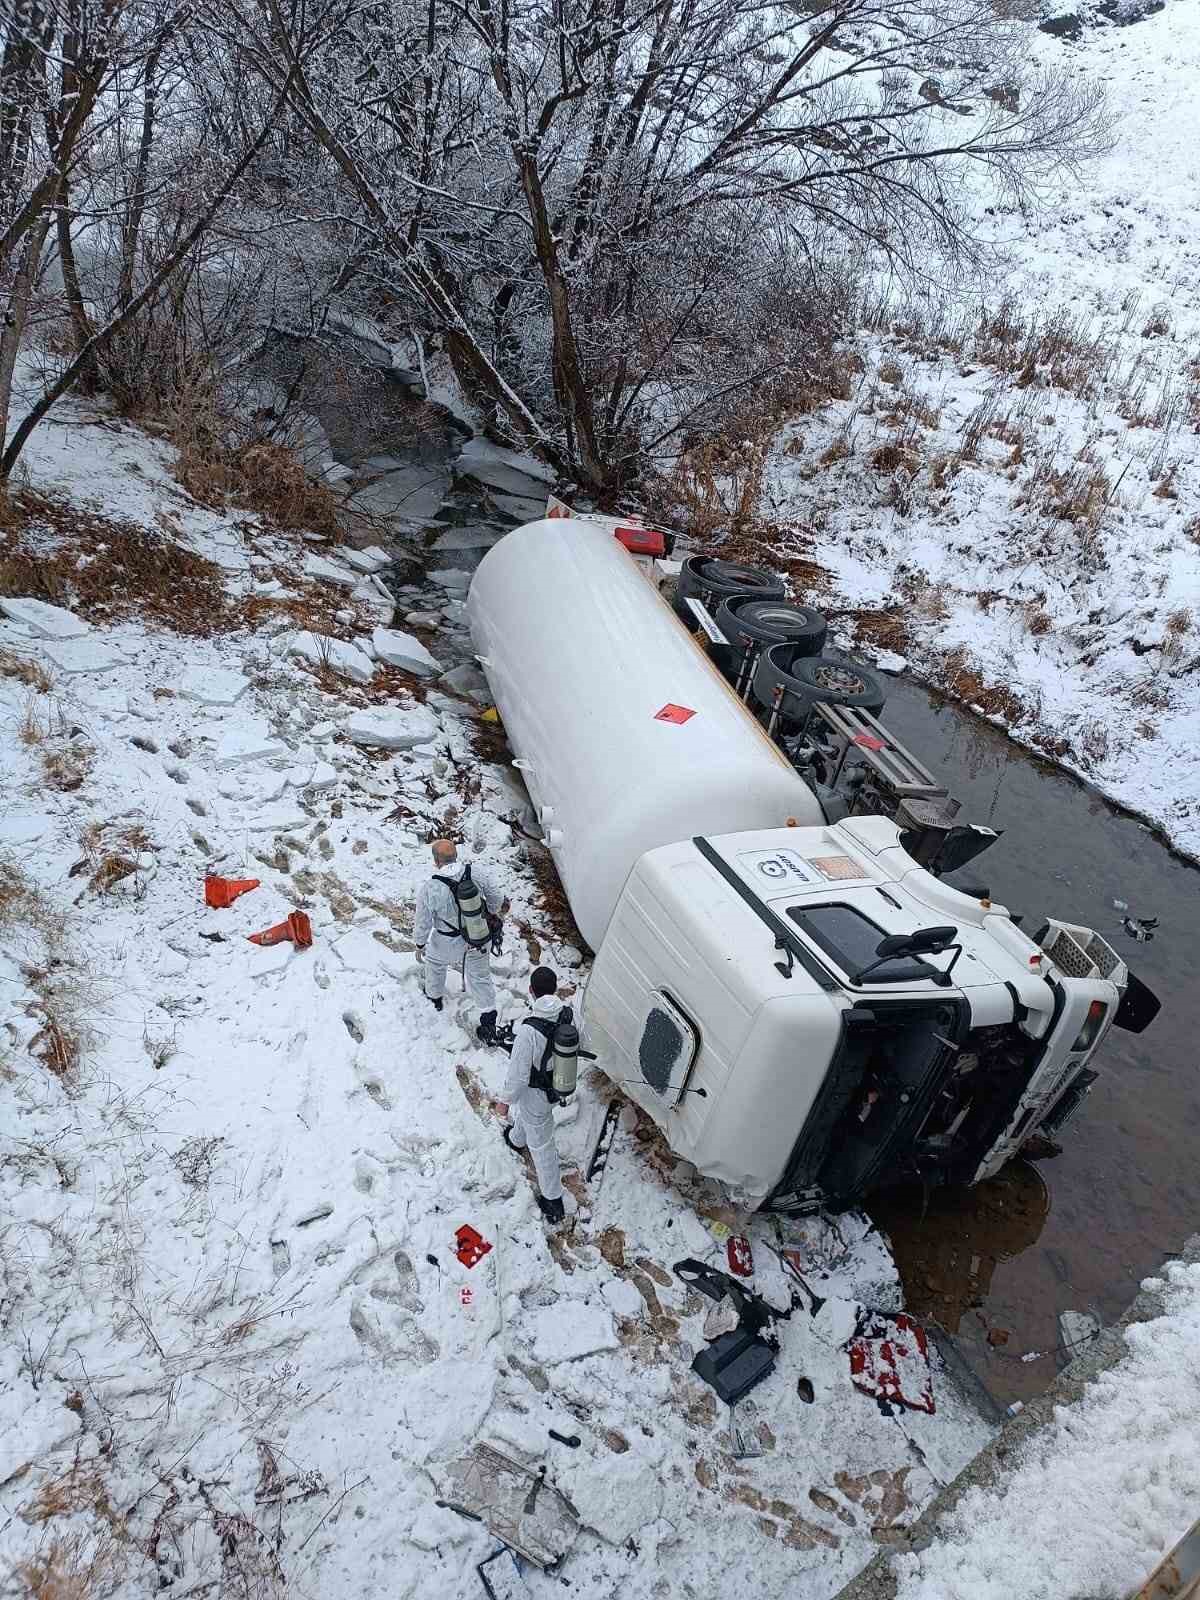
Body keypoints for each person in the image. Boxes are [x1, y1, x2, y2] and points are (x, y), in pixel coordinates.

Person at [412, 838, 505, 1044]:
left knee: (434, 962)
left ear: (436, 861)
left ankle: (434, 999)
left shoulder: (430, 887)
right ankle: (488, 1022)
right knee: (480, 977)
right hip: (478, 936)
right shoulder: (476, 873)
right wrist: (489, 913)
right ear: (456, 856)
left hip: (447, 941)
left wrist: (419, 944)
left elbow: (423, 921)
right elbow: (497, 899)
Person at [494, 966, 566, 1224]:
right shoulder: (569, 1015)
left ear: (531, 991)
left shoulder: (529, 1031)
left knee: (542, 1146)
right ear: (555, 989)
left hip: (537, 1093)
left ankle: (553, 1200)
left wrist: (504, 1103)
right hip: (559, 1083)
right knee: (534, 1118)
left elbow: (518, 1076)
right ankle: (516, 1138)